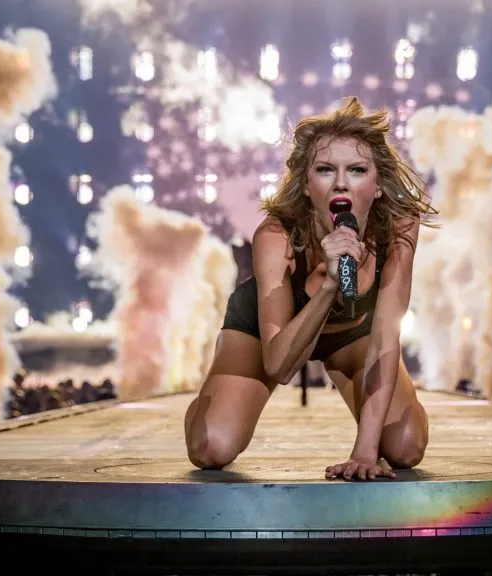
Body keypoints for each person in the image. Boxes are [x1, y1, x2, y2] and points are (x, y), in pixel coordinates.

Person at [185, 97, 437, 481]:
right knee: (211, 447)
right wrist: (329, 286)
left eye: (356, 170)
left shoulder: (400, 229)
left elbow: (386, 338)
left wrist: (364, 453)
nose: (340, 182)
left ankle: (374, 429)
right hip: (269, 334)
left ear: (378, 185)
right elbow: (279, 366)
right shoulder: (275, 236)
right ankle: (212, 398)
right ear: (306, 184)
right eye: (324, 170)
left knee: (405, 448)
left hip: (353, 335)